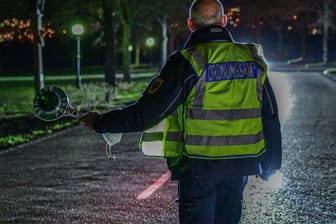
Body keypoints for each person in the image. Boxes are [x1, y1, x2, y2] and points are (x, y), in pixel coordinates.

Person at [80, 0, 282, 223]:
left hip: (199, 165)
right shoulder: (251, 58)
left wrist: (100, 123)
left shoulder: (187, 62)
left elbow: (147, 113)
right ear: (224, 21)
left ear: (191, 24)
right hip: (242, 164)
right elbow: (270, 115)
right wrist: (271, 163)